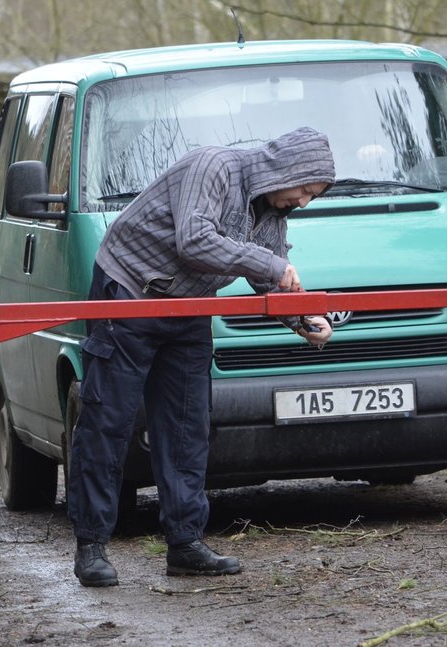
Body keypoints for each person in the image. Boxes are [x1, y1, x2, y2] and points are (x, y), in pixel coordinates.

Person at [68, 127, 336, 587]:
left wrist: (301, 319)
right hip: (130, 292)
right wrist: (273, 266)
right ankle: (91, 546)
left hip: (191, 308)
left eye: (312, 196)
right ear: (287, 171)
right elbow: (194, 240)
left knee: (188, 426)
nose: (304, 202)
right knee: (109, 421)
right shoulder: (213, 167)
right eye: (305, 191)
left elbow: (268, 271)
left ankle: (185, 544)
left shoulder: (272, 209)